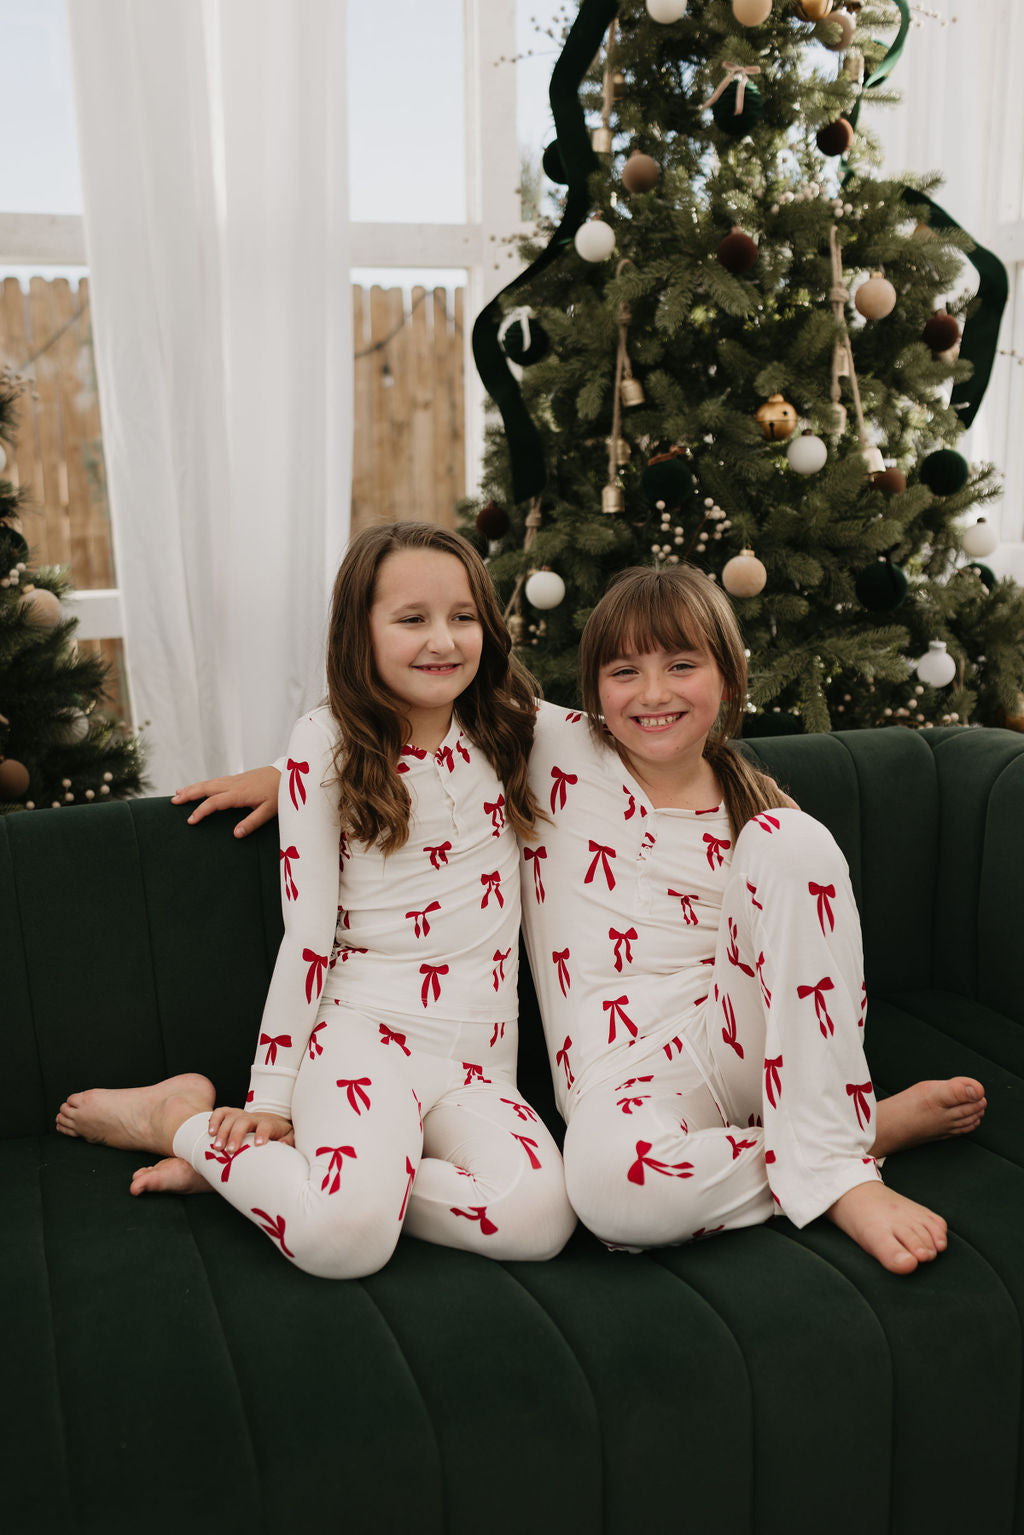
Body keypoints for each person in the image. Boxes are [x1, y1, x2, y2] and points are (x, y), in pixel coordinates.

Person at [75, 559, 985, 1277]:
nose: (653, 693)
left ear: (729, 672)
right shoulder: (553, 746)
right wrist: (291, 777)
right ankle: (841, 1133)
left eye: (683, 665)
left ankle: (834, 1158)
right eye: (624, 671)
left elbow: (812, 972)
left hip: (740, 1040)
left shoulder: (758, 809)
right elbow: (404, 729)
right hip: (624, 1080)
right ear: (590, 692)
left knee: (797, 843)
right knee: (604, 1196)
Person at [57, 523, 576, 1279]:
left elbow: (638, 728)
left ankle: (293, 1174)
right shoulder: (324, 745)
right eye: (411, 618)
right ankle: (181, 1122)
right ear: (358, 633)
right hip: (365, 1037)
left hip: (477, 1063)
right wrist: (273, 1094)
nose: (443, 640)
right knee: (344, 1242)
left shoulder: (515, 726)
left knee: (540, 1219)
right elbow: (306, 937)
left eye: (463, 616)